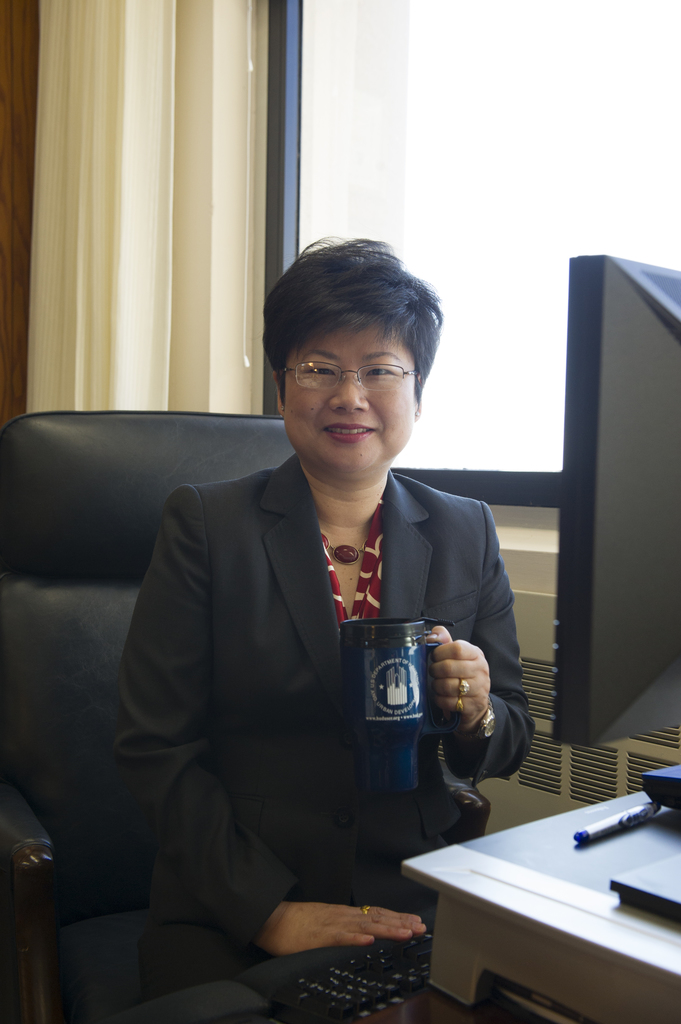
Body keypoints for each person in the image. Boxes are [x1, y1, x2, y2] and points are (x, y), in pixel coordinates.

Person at [114, 238, 534, 1000]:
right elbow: (154, 749)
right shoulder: (207, 525)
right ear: (282, 387)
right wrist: (266, 910)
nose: (350, 395)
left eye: (380, 369)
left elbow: (506, 738)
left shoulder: (465, 529)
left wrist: (475, 710)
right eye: (319, 368)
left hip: (408, 892)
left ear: (417, 393)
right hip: (230, 903)